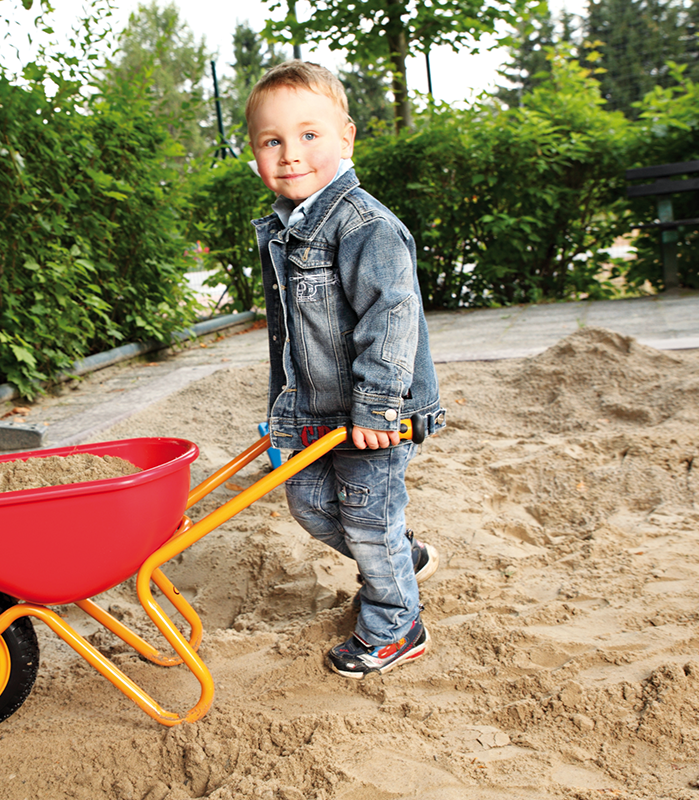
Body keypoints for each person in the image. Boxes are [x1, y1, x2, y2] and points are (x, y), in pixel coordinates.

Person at [246, 60, 446, 678]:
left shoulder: (365, 226)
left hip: (374, 413)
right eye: (272, 141)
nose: (290, 154)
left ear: (346, 137)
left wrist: (379, 407)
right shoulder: (285, 229)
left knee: (364, 517)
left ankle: (396, 625)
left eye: (309, 135)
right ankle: (400, 556)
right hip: (315, 407)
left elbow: (391, 317)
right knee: (309, 505)